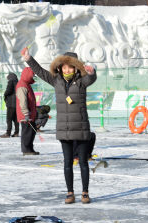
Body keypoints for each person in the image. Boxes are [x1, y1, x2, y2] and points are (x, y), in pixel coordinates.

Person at [22, 47, 97, 204]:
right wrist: (29, 59)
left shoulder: (82, 82)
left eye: (70, 67)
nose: (67, 69)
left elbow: (91, 79)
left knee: (83, 162)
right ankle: (70, 192)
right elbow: (41, 72)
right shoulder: (56, 81)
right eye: (64, 67)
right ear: (60, 68)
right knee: (67, 163)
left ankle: (85, 192)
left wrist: (91, 73)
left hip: (81, 128)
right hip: (64, 129)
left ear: (76, 67)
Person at [16, 67, 39, 156]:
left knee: (32, 131)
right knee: (27, 132)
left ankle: (30, 148)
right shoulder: (22, 85)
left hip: (30, 114)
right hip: (25, 115)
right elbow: (23, 100)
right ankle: (26, 150)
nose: (33, 77)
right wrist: (26, 113)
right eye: (32, 75)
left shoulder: (26, 84)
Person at [0, 73, 20, 138]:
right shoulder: (18, 82)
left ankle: (8, 133)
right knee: (16, 119)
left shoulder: (11, 81)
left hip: (11, 103)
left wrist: (5, 94)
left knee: (9, 119)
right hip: (17, 103)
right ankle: (16, 133)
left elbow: (8, 90)